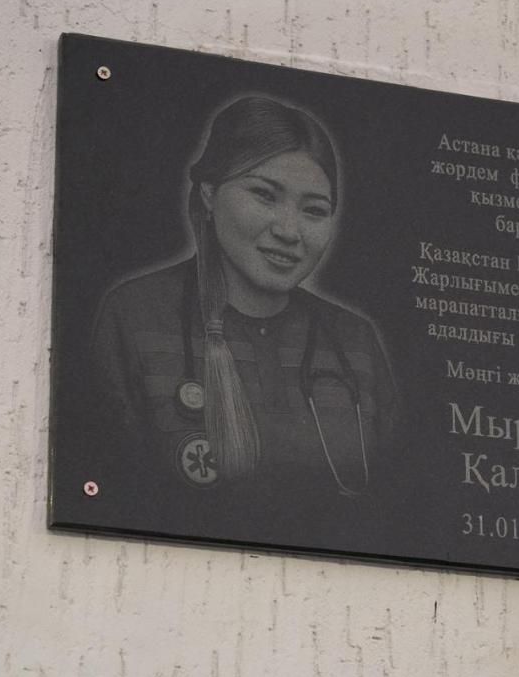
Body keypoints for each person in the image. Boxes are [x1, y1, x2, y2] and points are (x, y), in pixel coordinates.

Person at [90, 96, 396, 502]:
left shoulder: (354, 341)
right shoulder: (134, 316)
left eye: (314, 210)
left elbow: (393, 496)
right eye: (265, 195)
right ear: (209, 193)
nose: (289, 231)